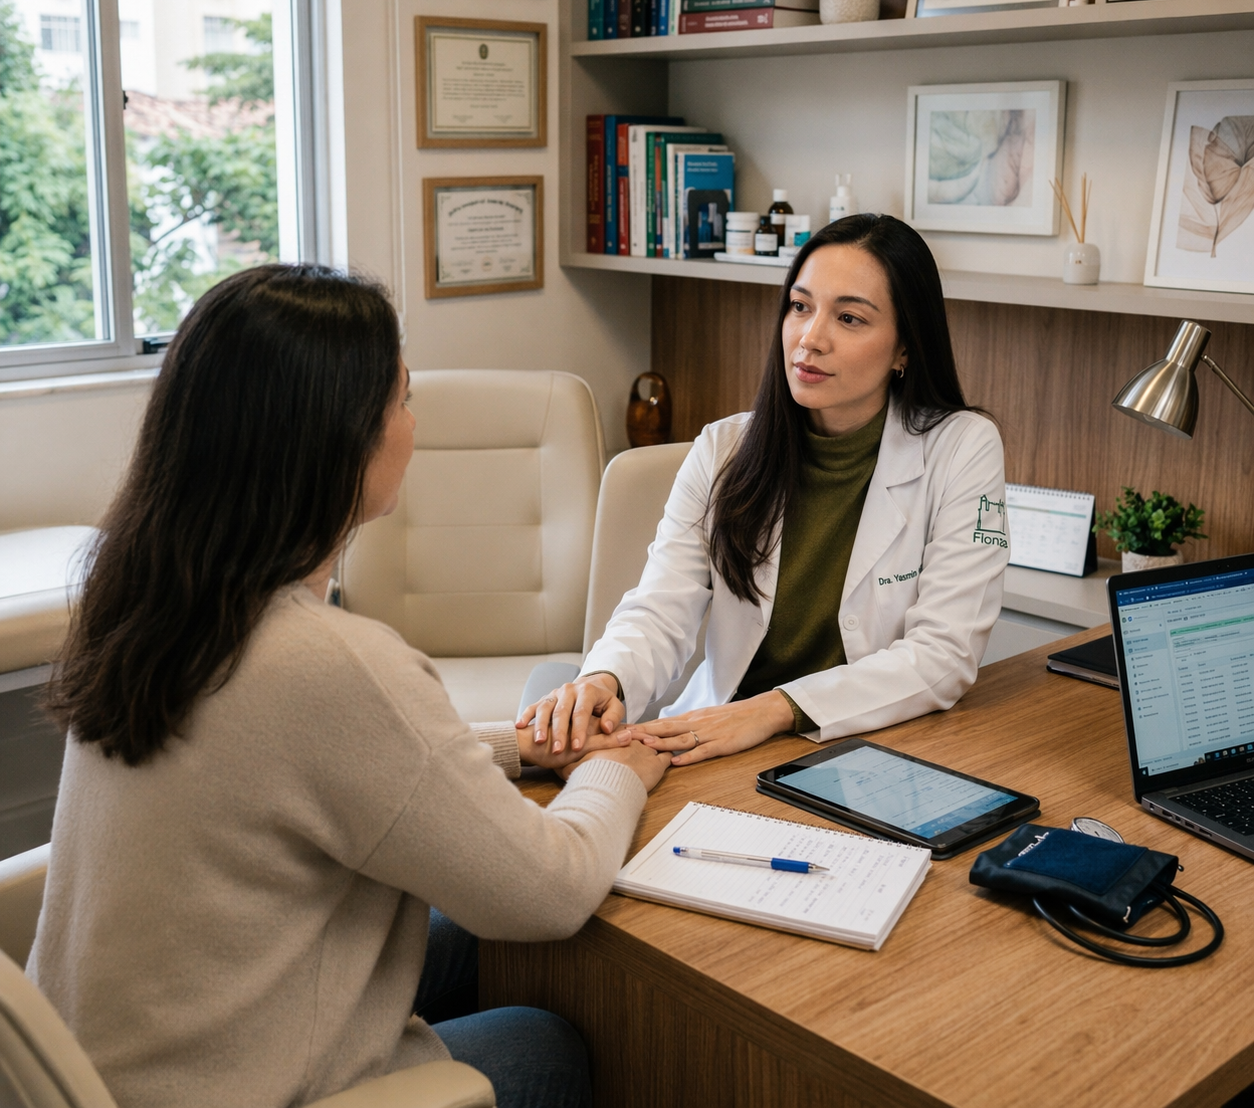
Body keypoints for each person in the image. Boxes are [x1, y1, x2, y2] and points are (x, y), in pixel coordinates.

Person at [28, 264, 669, 1108]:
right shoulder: (329, 661)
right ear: (338, 439)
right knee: (541, 1042)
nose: (415, 420)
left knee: (463, 943)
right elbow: (551, 890)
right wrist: (619, 769)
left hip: (94, 1073)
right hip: (224, 1089)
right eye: (401, 398)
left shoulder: (148, 598)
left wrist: (519, 750)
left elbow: (301, 765)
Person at [522, 213, 1009, 766]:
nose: (810, 338)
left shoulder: (961, 447)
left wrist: (775, 709)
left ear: (905, 349)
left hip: (867, 749)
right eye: (800, 307)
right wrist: (607, 678)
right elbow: (660, 607)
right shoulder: (724, 449)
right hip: (718, 743)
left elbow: (944, 655)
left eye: (849, 318)